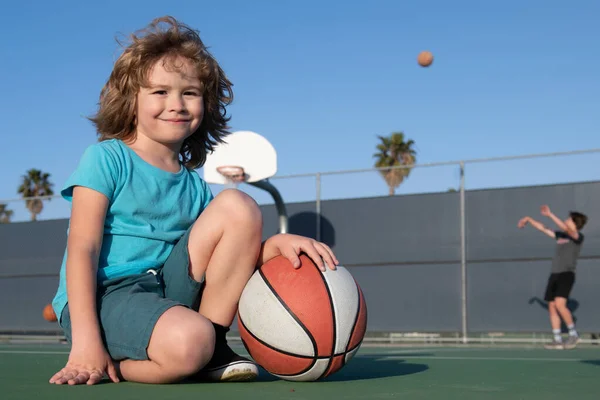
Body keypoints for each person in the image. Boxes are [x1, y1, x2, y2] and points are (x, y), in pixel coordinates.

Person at [49, 16, 339, 386]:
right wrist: (86, 344)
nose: (177, 104)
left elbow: (225, 258)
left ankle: (213, 345)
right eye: (159, 92)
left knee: (238, 206)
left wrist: (275, 247)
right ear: (130, 101)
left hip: (164, 290)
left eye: (189, 92)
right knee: (189, 343)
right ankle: (112, 362)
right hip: (107, 295)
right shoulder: (106, 158)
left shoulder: (195, 186)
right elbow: (82, 249)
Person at [518, 205, 587, 350]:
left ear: (575, 224)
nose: (566, 220)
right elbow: (544, 229)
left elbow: (569, 230)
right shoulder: (561, 235)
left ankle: (574, 335)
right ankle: (557, 339)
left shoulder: (577, 237)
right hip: (554, 274)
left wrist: (550, 215)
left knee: (560, 304)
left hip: (566, 274)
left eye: (569, 219)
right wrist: (529, 219)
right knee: (552, 306)